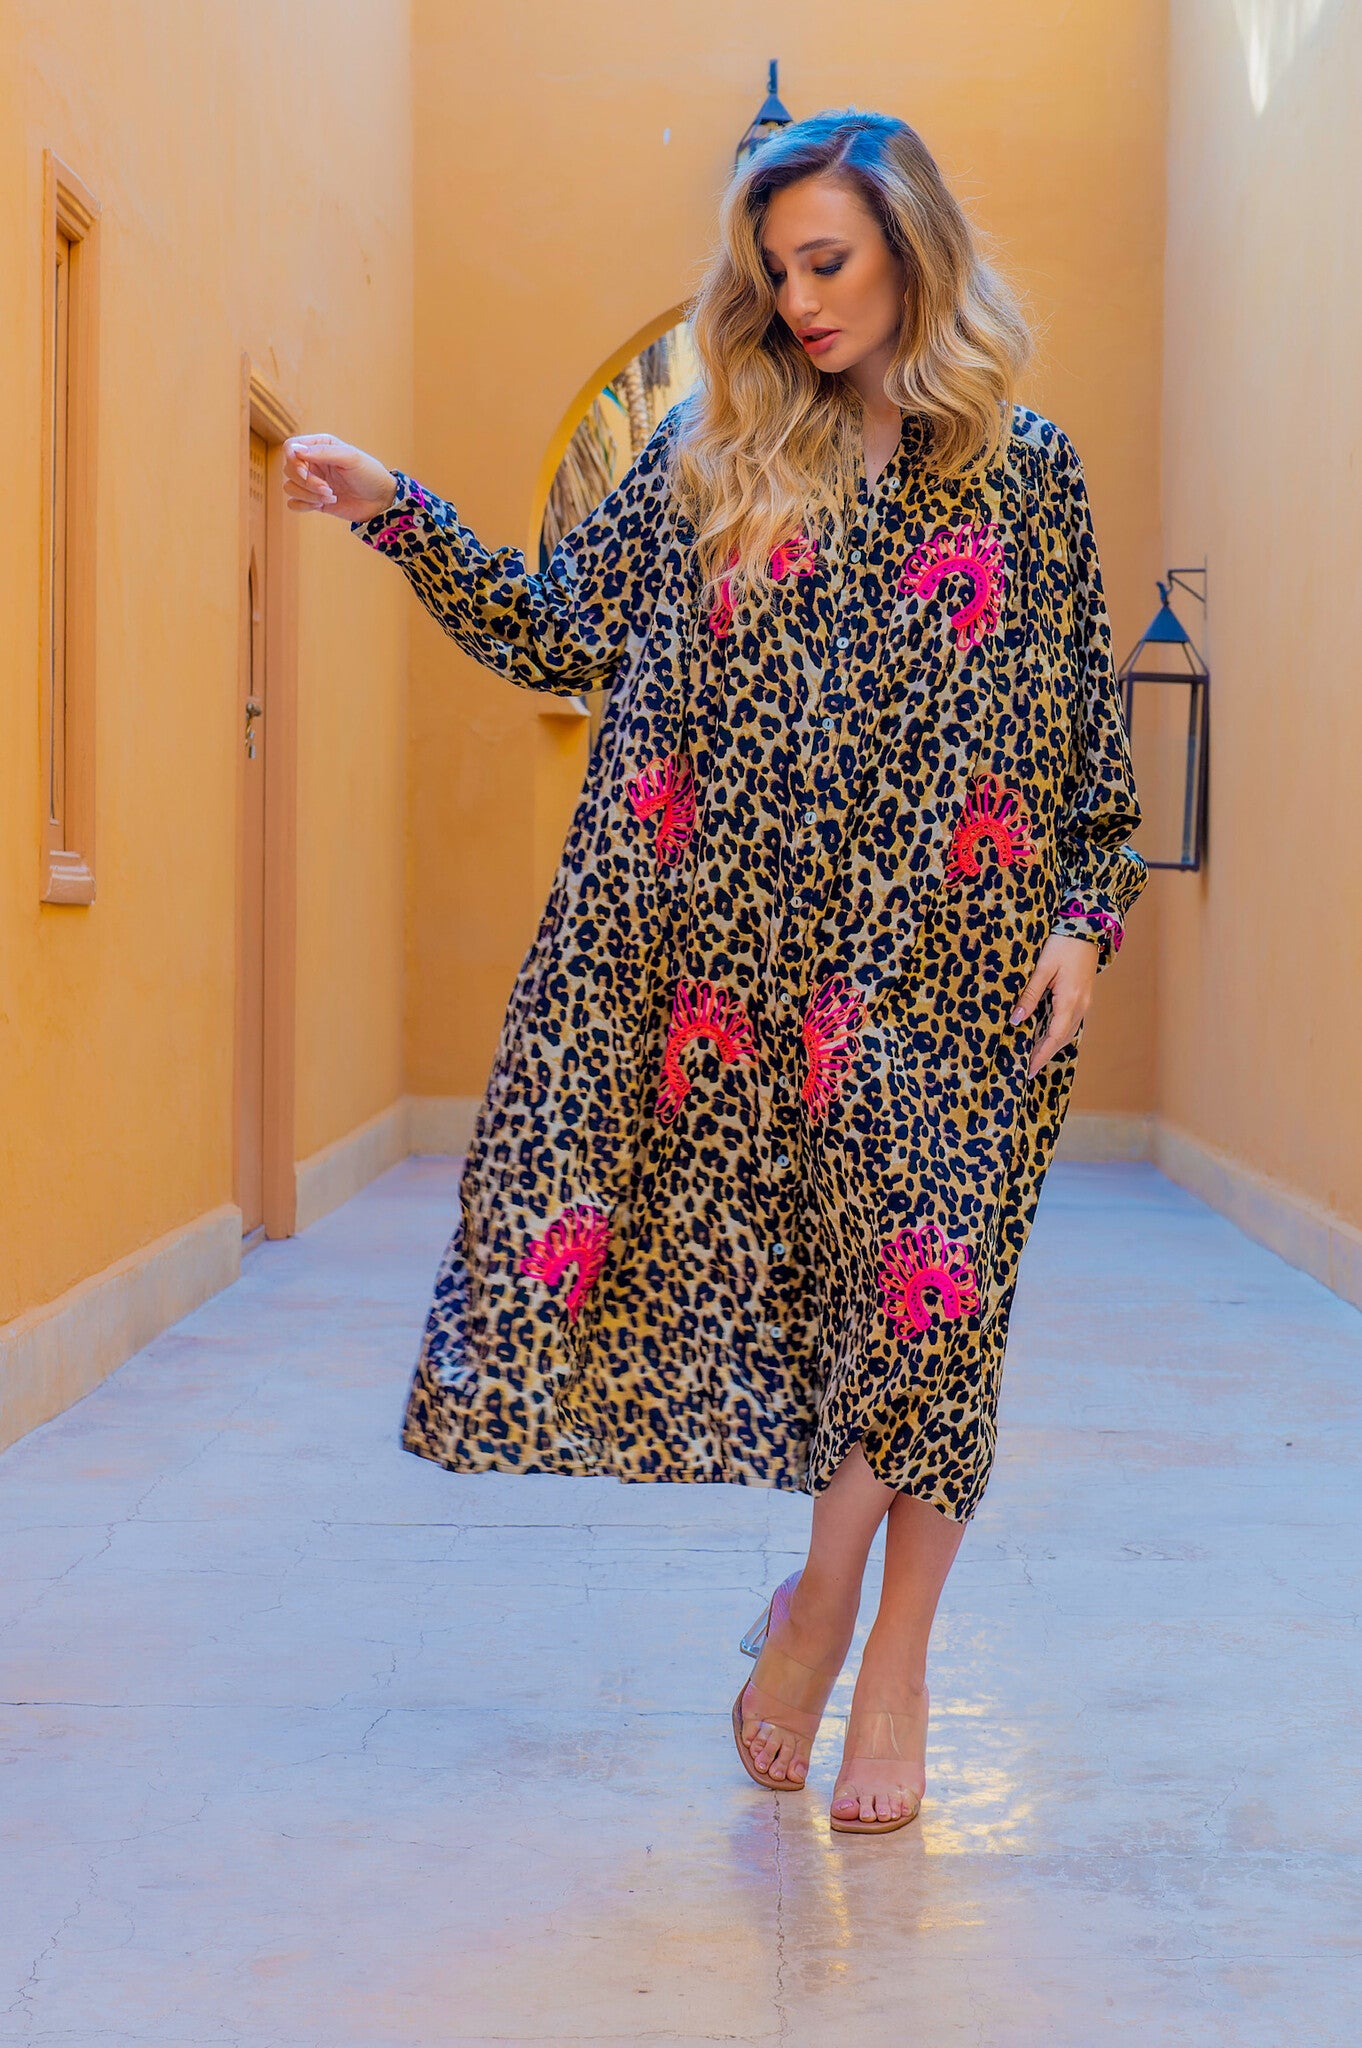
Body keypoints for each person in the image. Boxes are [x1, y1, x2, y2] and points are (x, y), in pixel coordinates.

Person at [283, 109, 1146, 1837]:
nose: (799, 300)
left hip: (964, 973)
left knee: (941, 1302)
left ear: (910, 248)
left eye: (826, 261)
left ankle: (863, 1644)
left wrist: (1083, 920)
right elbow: (553, 626)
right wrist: (394, 512)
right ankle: (836, 1622)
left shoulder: (1029, 470)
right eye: (775, 271)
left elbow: (1082, 741)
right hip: (753, 982)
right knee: (894, 1325)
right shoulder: (718, 453)